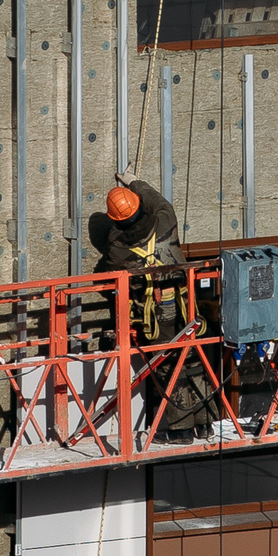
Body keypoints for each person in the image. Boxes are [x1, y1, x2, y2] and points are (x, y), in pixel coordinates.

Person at [85, 180, 216, 438]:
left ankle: (181, 430)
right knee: (193, 361)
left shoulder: (117, 251)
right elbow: (157, 200)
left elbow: (105, 281)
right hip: (185, 307)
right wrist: (133, 181)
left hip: (155, 317)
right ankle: (205, 424)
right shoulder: (165, 221)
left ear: (116, 222)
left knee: (168, 366)